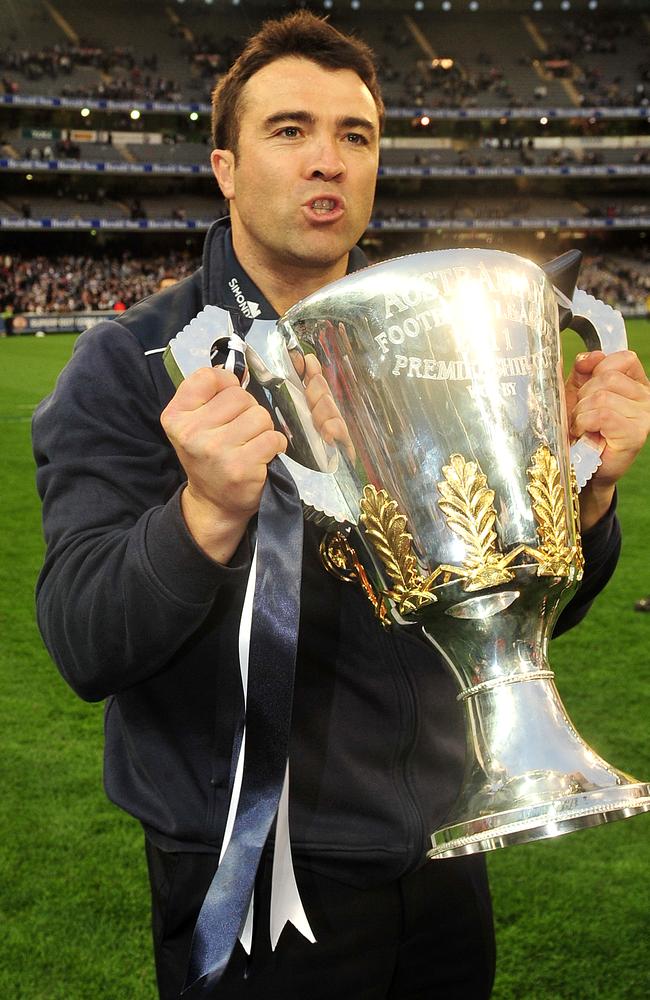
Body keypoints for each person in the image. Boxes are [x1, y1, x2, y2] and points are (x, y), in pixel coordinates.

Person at [32, 12, 650, 1000]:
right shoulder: (128, 364)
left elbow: (498, 594)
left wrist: (586, 494)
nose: (327, 160)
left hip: (446, 851)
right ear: (226, 166)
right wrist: (201, 517)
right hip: (253, 881)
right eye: (289, 131)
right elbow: (80, 640)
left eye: (353, 136)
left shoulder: (434, 334)